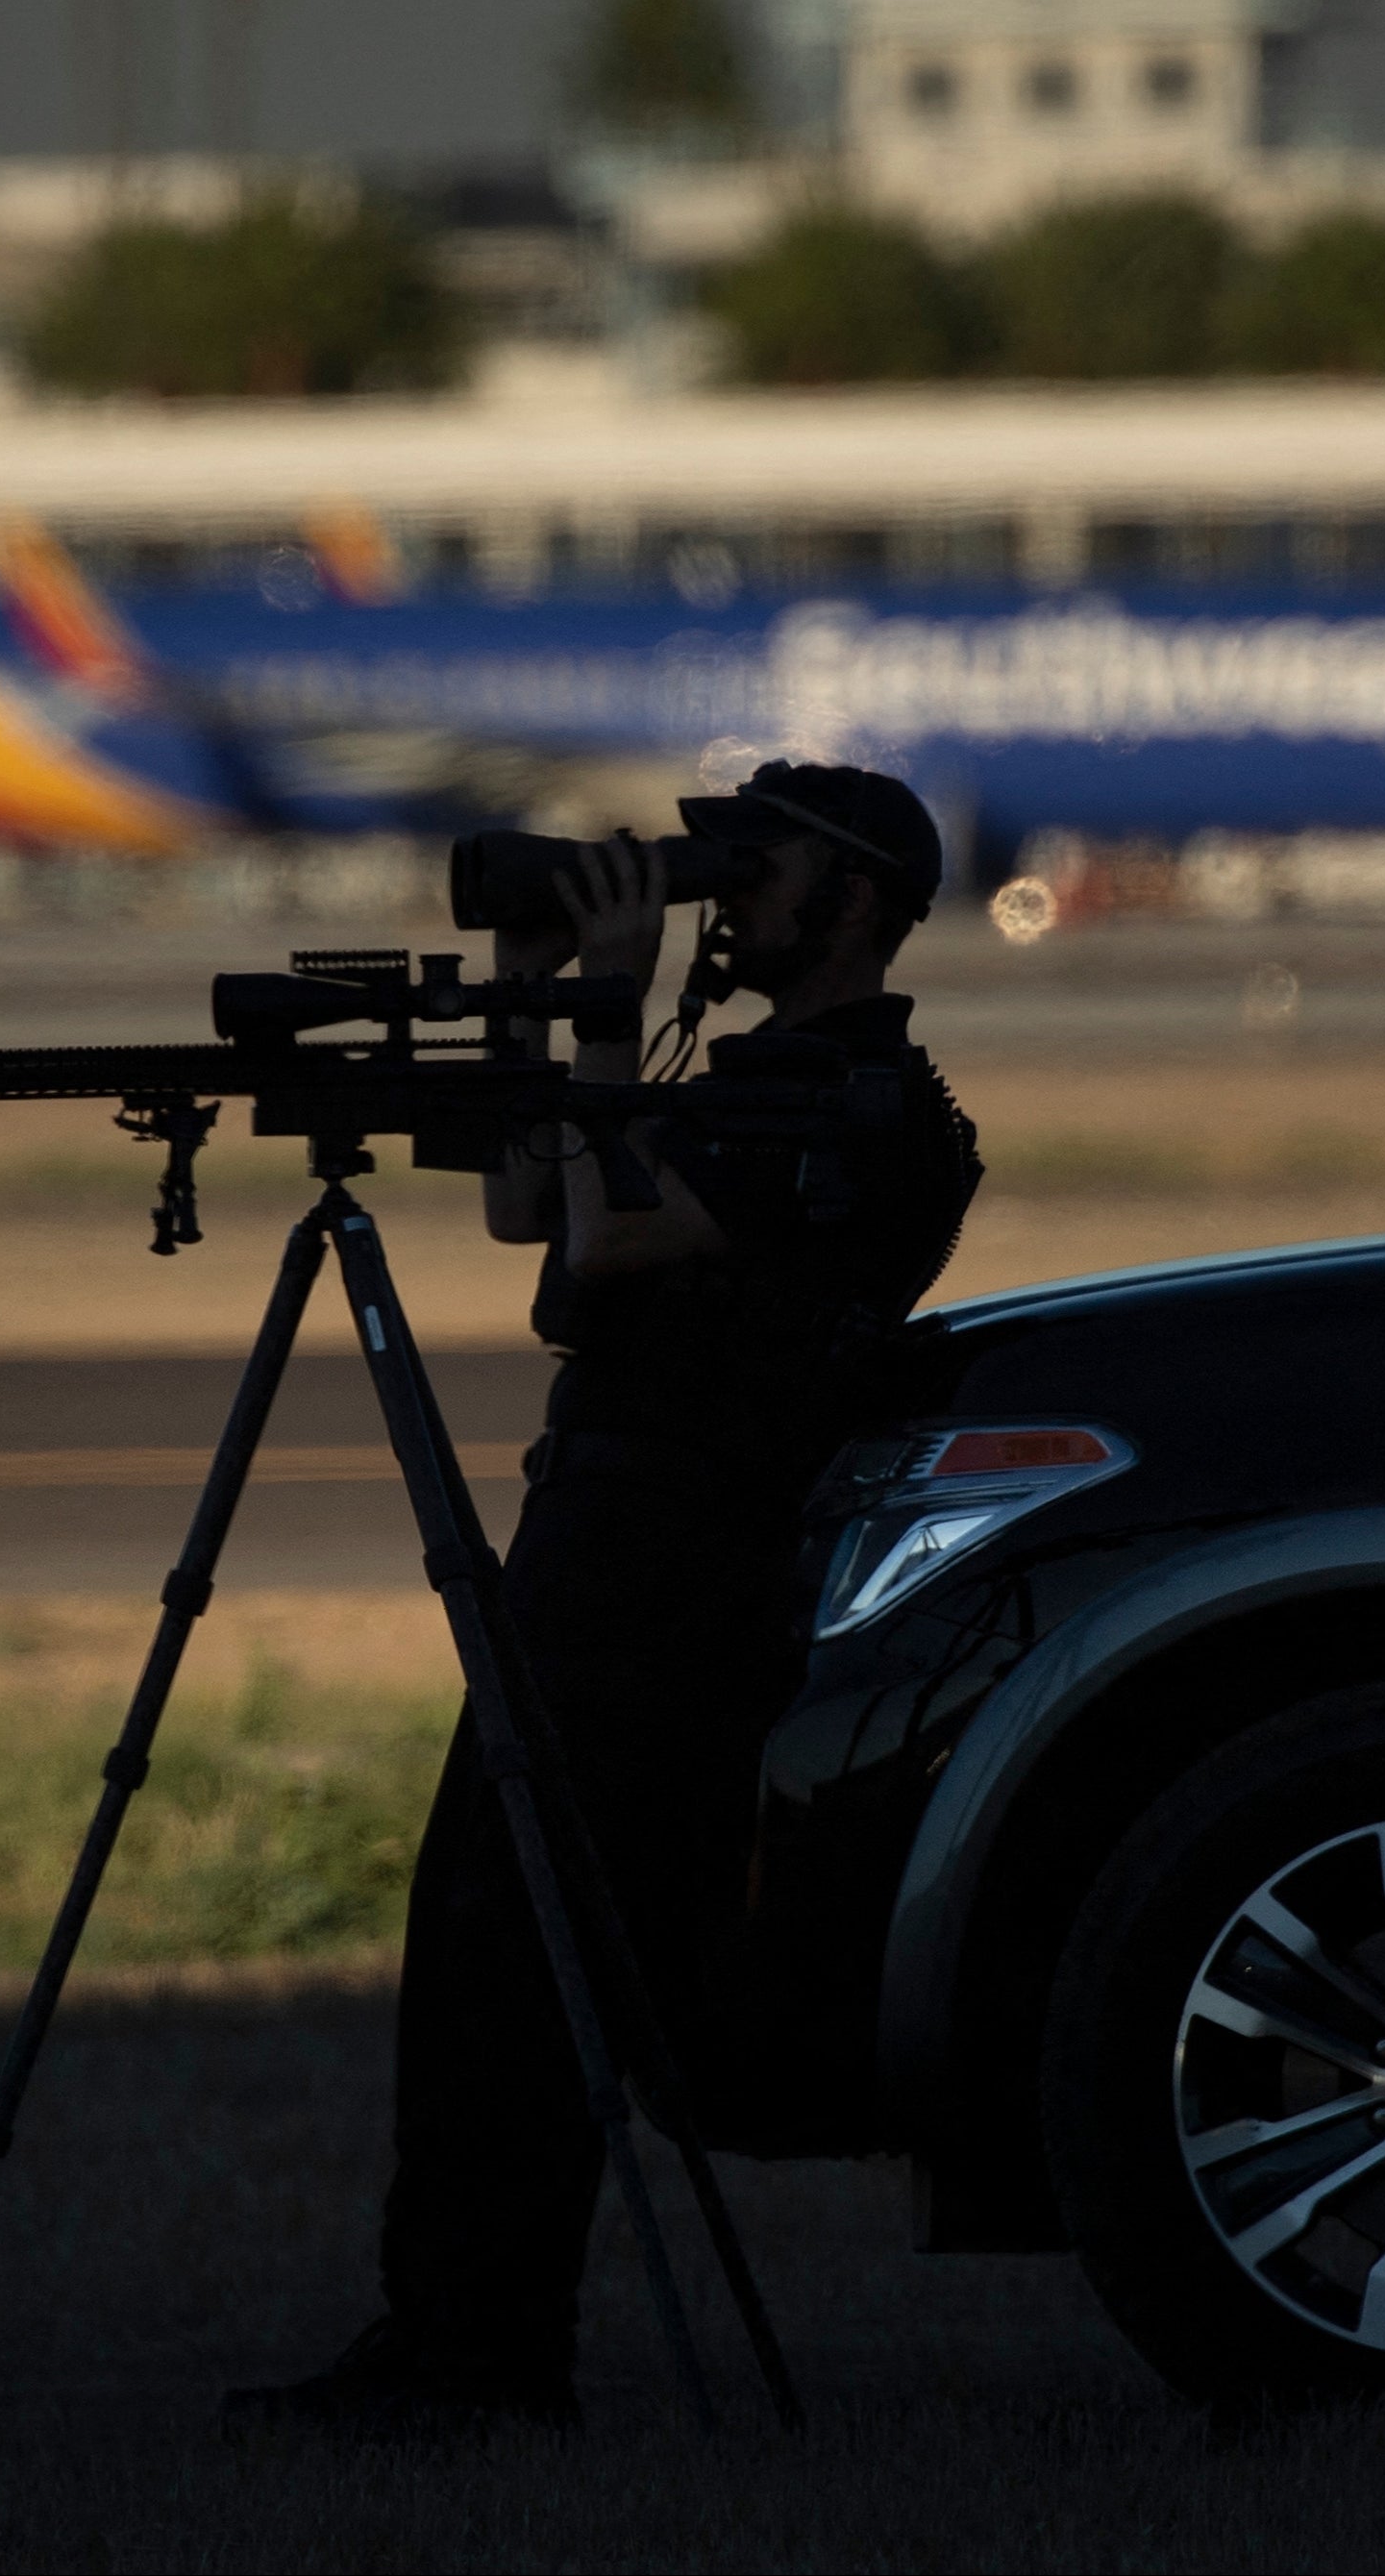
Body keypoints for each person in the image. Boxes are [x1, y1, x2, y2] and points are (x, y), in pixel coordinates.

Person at [232, 762, 981, 2437]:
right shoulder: (745, 1082)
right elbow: (539, 1221)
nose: (726, 889)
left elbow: (624, 1243)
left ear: (853, 902)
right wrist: (531, 1001)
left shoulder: (868, 1105)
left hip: (680, 1571)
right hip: (598, 1550)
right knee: (484, 1940)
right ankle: (455, 2337)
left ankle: (482, 2358)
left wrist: (598, 1029)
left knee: (542, 1944)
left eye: (759, 862)